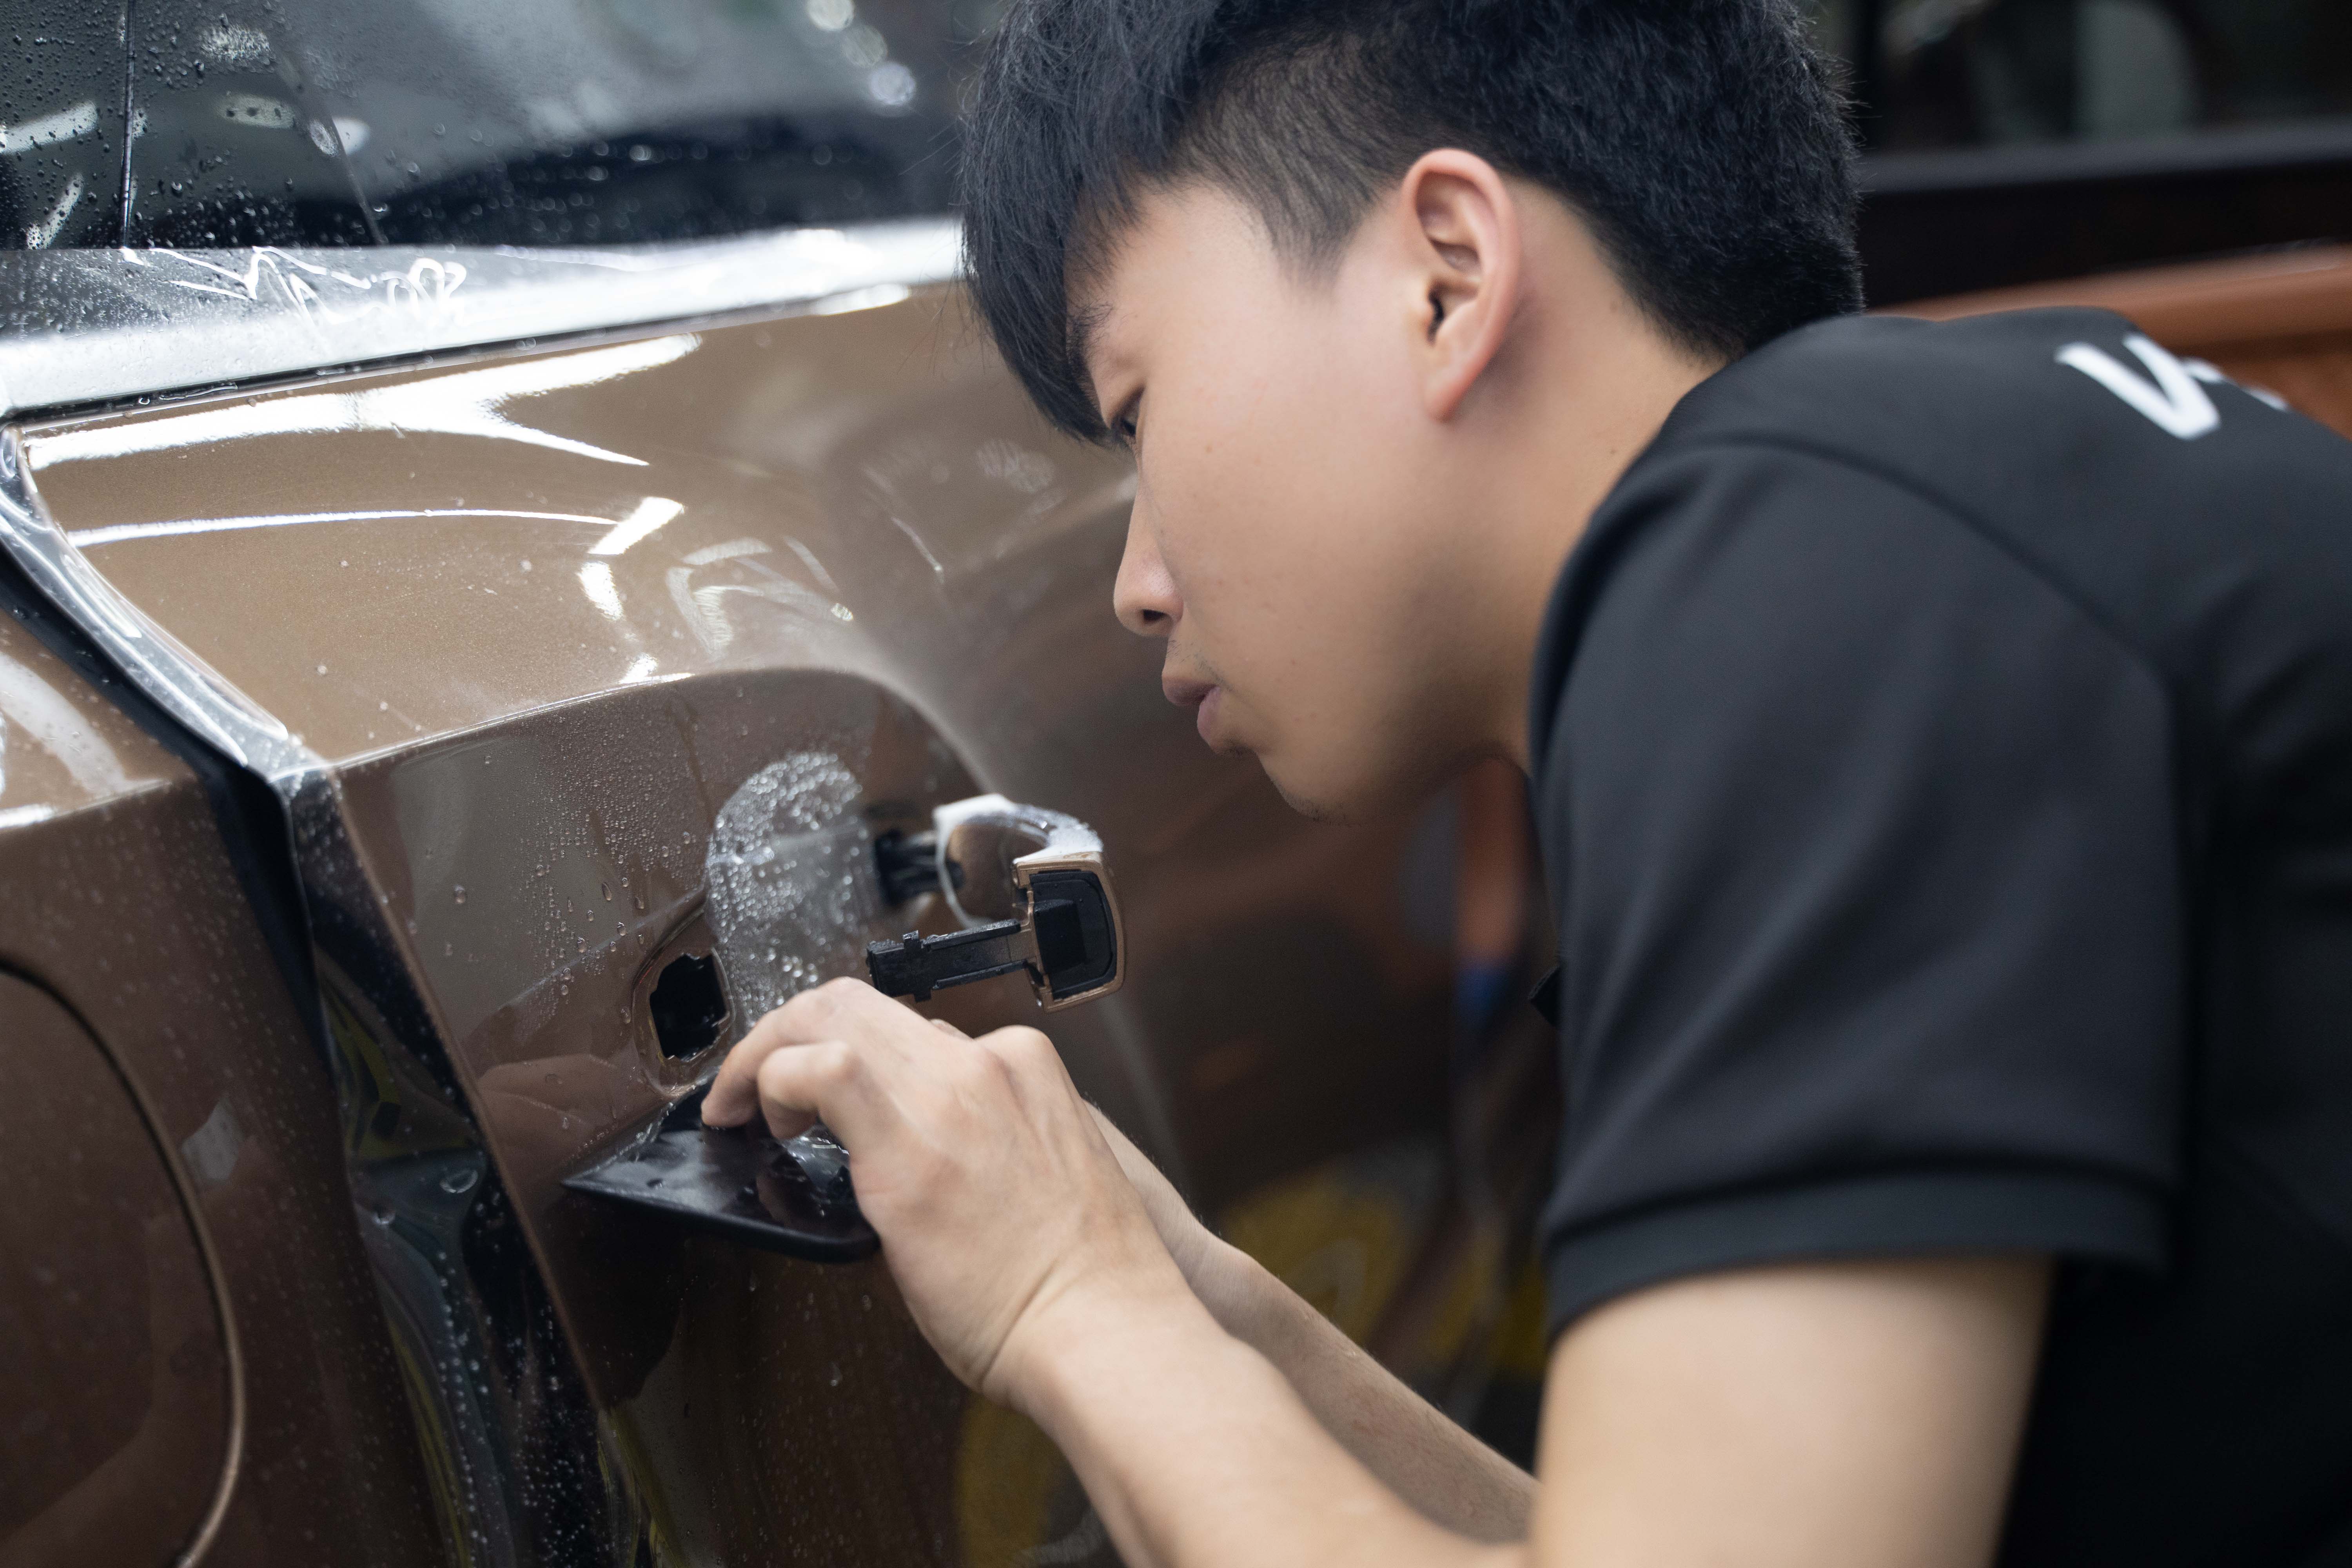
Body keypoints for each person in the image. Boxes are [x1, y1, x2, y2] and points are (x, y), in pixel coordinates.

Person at [702, 2, 2352, 1563]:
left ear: (1446, 273)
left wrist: (1068, 1295)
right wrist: (1198, 1299)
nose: (1137, 579)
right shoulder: (1920, 493)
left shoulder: (1806, 573)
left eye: (1138, 409)